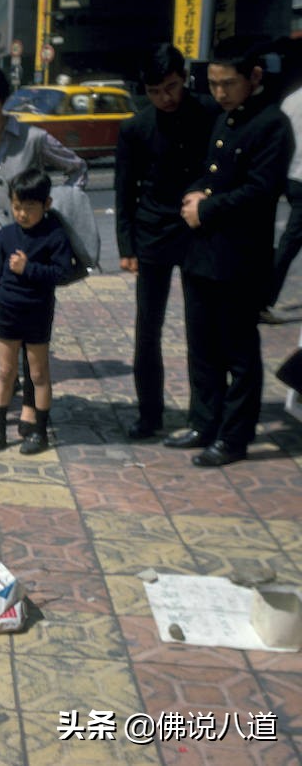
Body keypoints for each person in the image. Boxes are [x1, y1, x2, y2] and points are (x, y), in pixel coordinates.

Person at [0, 65, 86, 438]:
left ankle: (29, 408)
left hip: (33, 260)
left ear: (3, 103)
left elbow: (77, 167)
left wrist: (57, 218)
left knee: (33, 338)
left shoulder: (33, 138)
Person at [175, 38, 293, 466]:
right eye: (213, 83)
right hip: (202, 254)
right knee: (201, 345)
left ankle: (234, 437)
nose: (220, 92)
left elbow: (261, 192)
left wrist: (206, 208)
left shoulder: (271, 125)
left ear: (254, 78)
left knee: (239, 354)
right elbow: (207, 174)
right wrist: (193, 196)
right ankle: (203, 422)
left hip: (240, 259)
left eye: (228, 83)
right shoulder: (223, 121)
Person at [114, 44, 216, 440]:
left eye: (171, 88)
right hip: (152, 234)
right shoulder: (136, 128)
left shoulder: (209, 113)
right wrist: (126, 247)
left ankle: (203, 417)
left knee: (201, 327)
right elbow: (124, 191)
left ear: (184, 77)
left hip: (198, 233)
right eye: (155, 92)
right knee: (147, 329)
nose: (165, 98)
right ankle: (149, 414)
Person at [0, 170, 73, 454]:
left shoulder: (54, 235)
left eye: (29, 208)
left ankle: (39, 431)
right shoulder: (6, 235)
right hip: (7, 312)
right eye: (17, 207)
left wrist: (28, 268)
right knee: (5, 372)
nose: (21, 214)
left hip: (37, 313)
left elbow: (62, 272)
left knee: (39, 373)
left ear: (46, 204)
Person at [264, 80, 302, 322]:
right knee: (291, 241)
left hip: (291, 176)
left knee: (291, 239)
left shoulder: (292, 99)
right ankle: (263, 299)